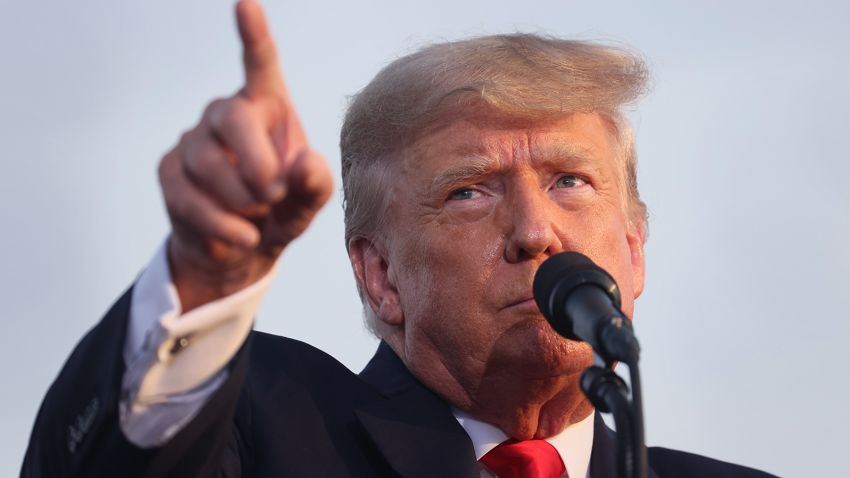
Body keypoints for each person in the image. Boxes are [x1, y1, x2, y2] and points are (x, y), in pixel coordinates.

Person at [21, 1, 777, 477]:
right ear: (380, 274)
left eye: (569, 182)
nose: (535, 232)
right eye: (469, 192)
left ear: (635, 250)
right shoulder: (263, 424)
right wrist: (203, 273)